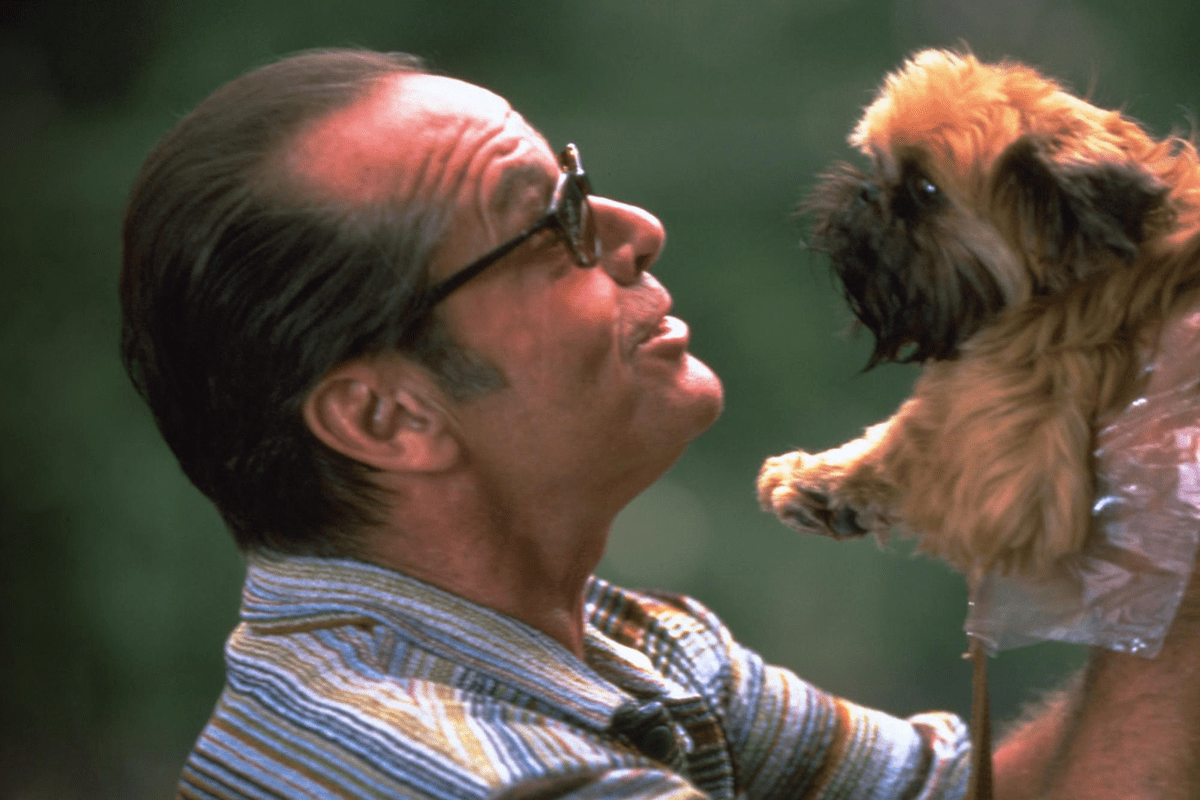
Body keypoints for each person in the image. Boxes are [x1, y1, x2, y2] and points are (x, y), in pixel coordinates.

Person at [120, 48, 1200, 799]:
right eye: (548, 227)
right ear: (388, 414)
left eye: (582, 185)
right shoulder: (442, 765)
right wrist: (1169, 550)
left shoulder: (637, 647)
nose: (639, 226)